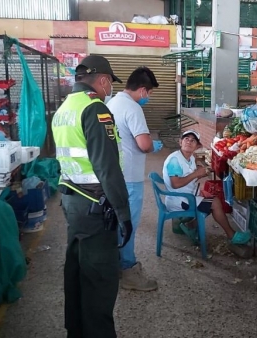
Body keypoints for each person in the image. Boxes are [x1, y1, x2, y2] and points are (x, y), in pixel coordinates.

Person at [52, 55, 132, 338]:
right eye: (109, 83)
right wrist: (124, 213)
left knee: (77, 272)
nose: (109, 89)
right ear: (103, 80)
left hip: (73, 203)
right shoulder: (95, 109)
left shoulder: (64, 108)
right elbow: (107, 167)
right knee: (100, 280)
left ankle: (76, 331)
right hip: (95, 207)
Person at [107, 66, 162, 292]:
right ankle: (129, 271)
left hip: (111, 174)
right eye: (148, 93)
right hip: (130, 177)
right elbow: (144, 144)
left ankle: (115, 267)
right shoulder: (132, 108)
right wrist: (153, 145)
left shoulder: (110, 104)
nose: (148, 98)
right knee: (128, 225)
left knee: (115, 224)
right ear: (142, 90)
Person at [162, 130, 251, 253]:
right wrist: (196, 174)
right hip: (179, 200)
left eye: (193, 140)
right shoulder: (175, 160)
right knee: (215, 203)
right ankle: (232, 235)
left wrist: (199, 175)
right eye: (186, 139)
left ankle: (191, 226)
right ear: (180, 142)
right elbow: (176, 184)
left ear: (197, 146)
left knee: (210, 199)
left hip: (187, 196)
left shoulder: (190, 158)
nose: (189, 142)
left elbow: (189, 175)